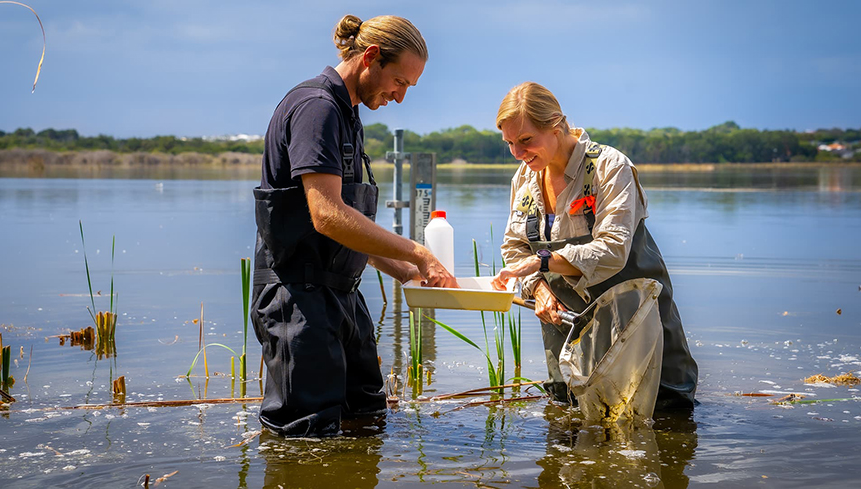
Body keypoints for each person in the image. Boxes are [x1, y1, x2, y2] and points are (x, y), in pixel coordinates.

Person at [251, 14, 457, 437]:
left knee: (365, 418)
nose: (399, 97)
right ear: (370, 57)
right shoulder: (316, 108)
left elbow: (349, 226)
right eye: (399, 82)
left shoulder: (348, 113)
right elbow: (327, 215)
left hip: (341, 296)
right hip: (299, 300)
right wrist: (416, 251)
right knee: (307, 440)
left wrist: (406, 272)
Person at [491, 82, 698, 409]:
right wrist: (540, 289)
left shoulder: (609, 167)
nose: (517, 153)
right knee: (567, 418)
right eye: (510, 144)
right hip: (566, 328)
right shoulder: (524, 179)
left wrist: (542, 261)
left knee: (662, 419)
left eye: (526, 140)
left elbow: (614, 249)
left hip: (634, 324)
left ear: (557, 127)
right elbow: (515, 248)